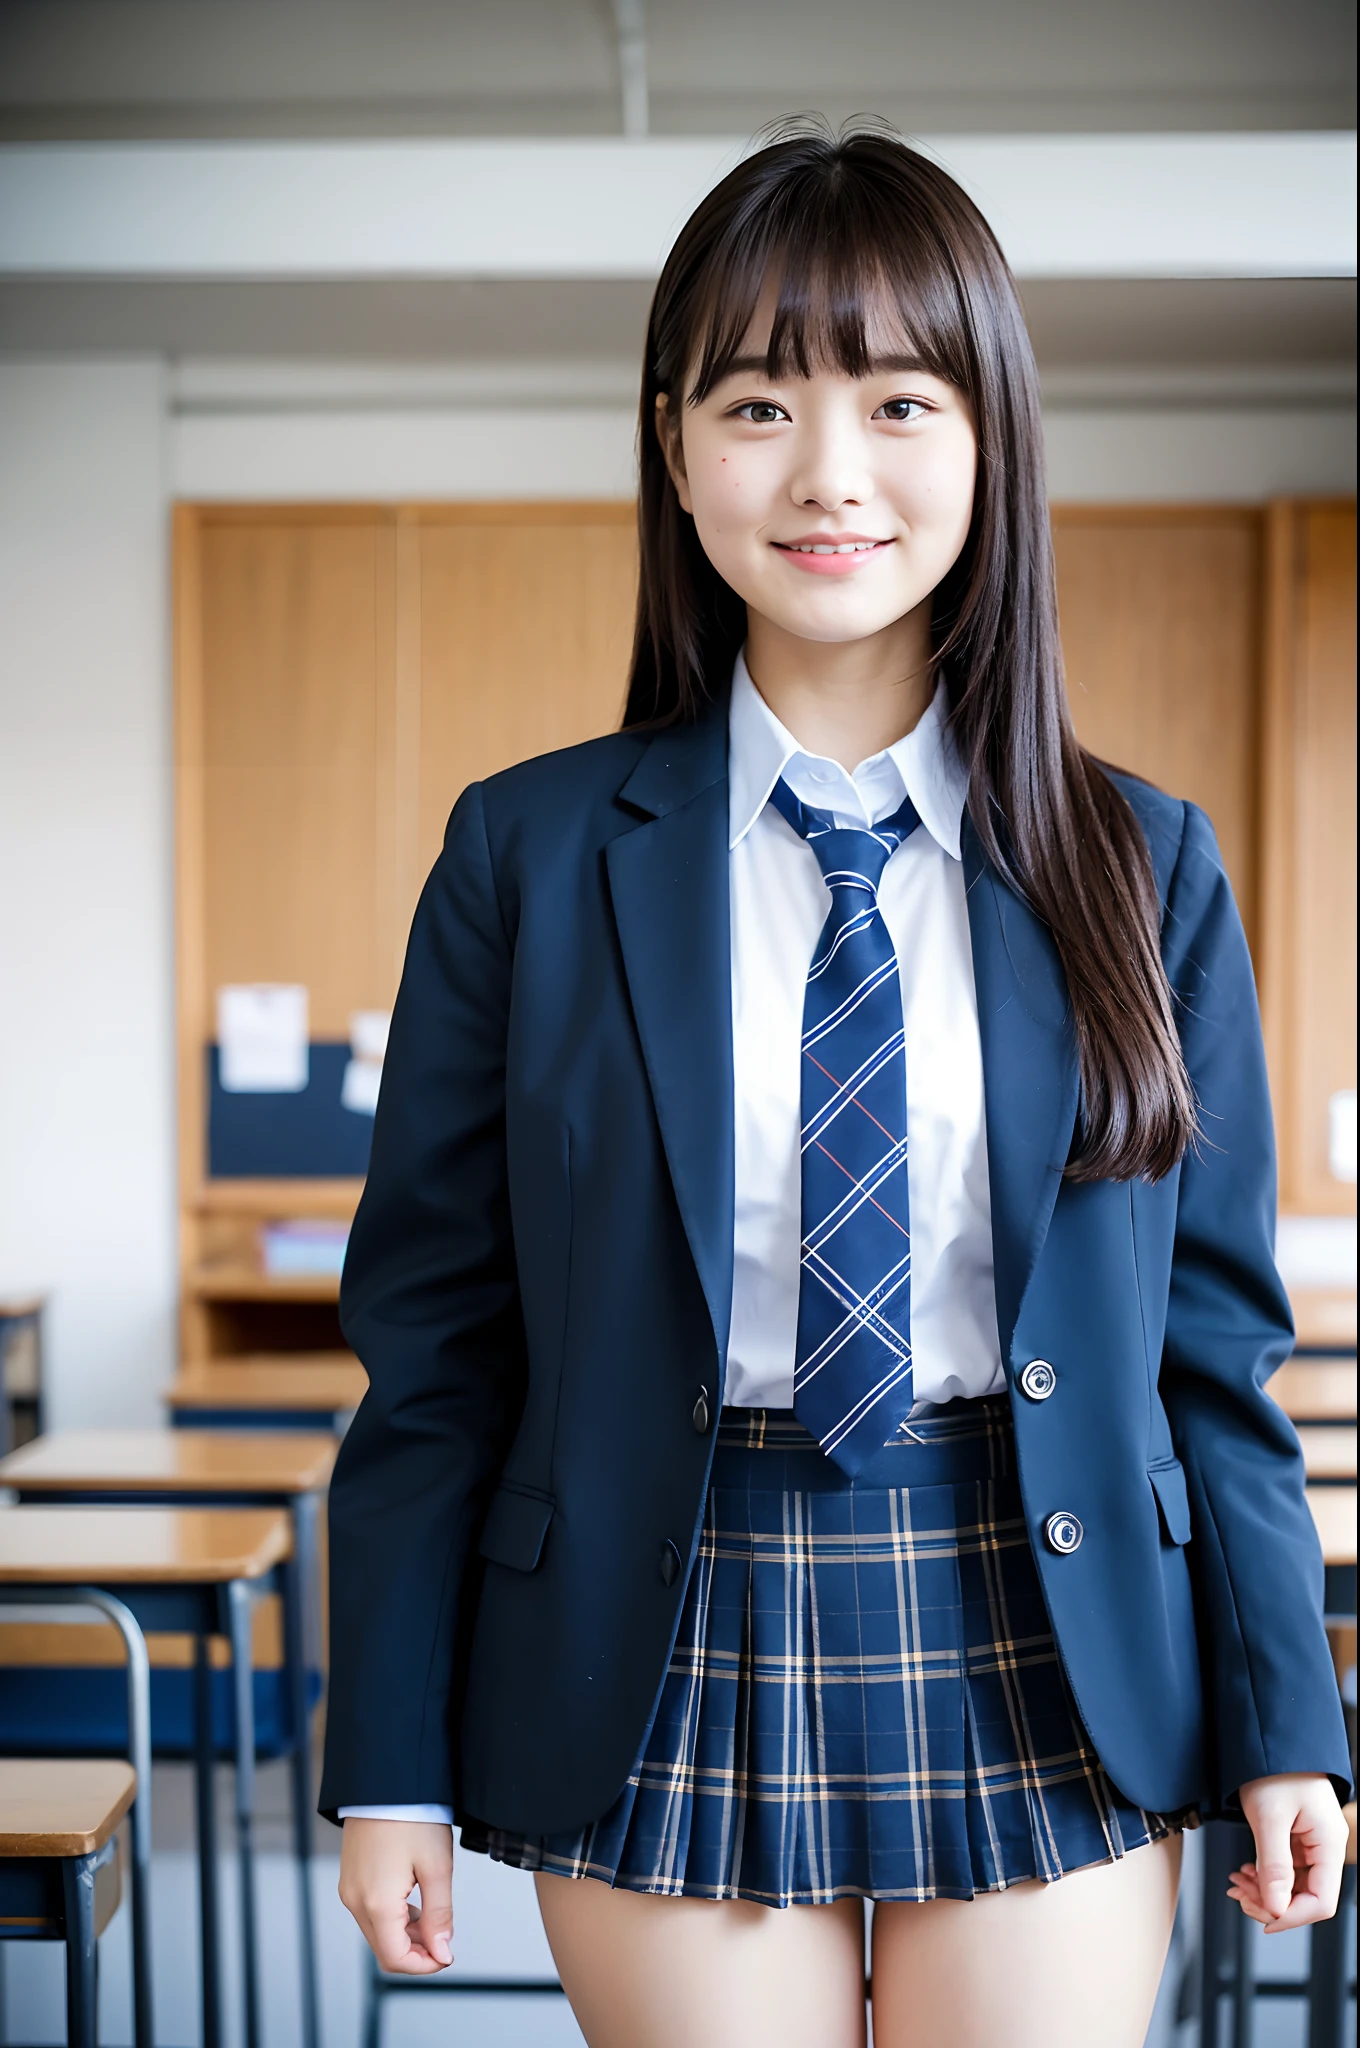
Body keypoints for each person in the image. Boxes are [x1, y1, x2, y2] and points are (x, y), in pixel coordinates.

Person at [320, 126, 1351, 2048]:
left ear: (992, 439)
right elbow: (435, 1347)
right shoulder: (527, 858)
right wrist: (385, 1751)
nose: (829, 474)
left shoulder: (1146, 865)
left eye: (898, 399)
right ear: (672, 444)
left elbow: (1215, 1357)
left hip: (1047, 1607)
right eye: (758, 401)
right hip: (662, 1602)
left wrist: (1295, 1711)